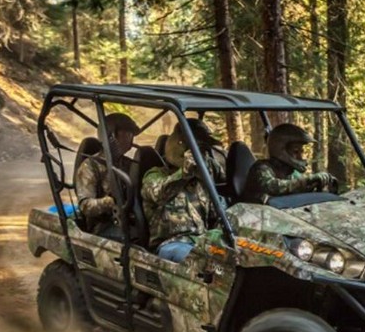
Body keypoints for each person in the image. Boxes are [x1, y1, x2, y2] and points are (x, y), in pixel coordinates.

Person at [141, 118, 225, 263]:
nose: (199, 154)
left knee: (232, 261)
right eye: (194, 149)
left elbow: (224, 184)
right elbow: (159, 194)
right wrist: (184, 173)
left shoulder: (201, 176)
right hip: (172, 244)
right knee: (203, 263)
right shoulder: (154, 175)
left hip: (203, 241)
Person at [75, 112, 139, 240]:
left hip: (128, 219)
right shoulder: (90, 166)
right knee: (137, 237)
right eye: (127, 133)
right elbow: (85, 206)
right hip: (102, 226)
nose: (131, 138)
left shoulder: (127, 164)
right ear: (111, 136)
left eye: (132, 134)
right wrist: (110, 202)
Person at [245, 123, 337, 204]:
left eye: (302, 152)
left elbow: (300, 190)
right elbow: (273, 186)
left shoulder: (293, 174)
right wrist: (308, 180)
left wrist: (319, 185)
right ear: (280, 150)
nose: (301, 157)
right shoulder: (261, 168)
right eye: (296, 152)